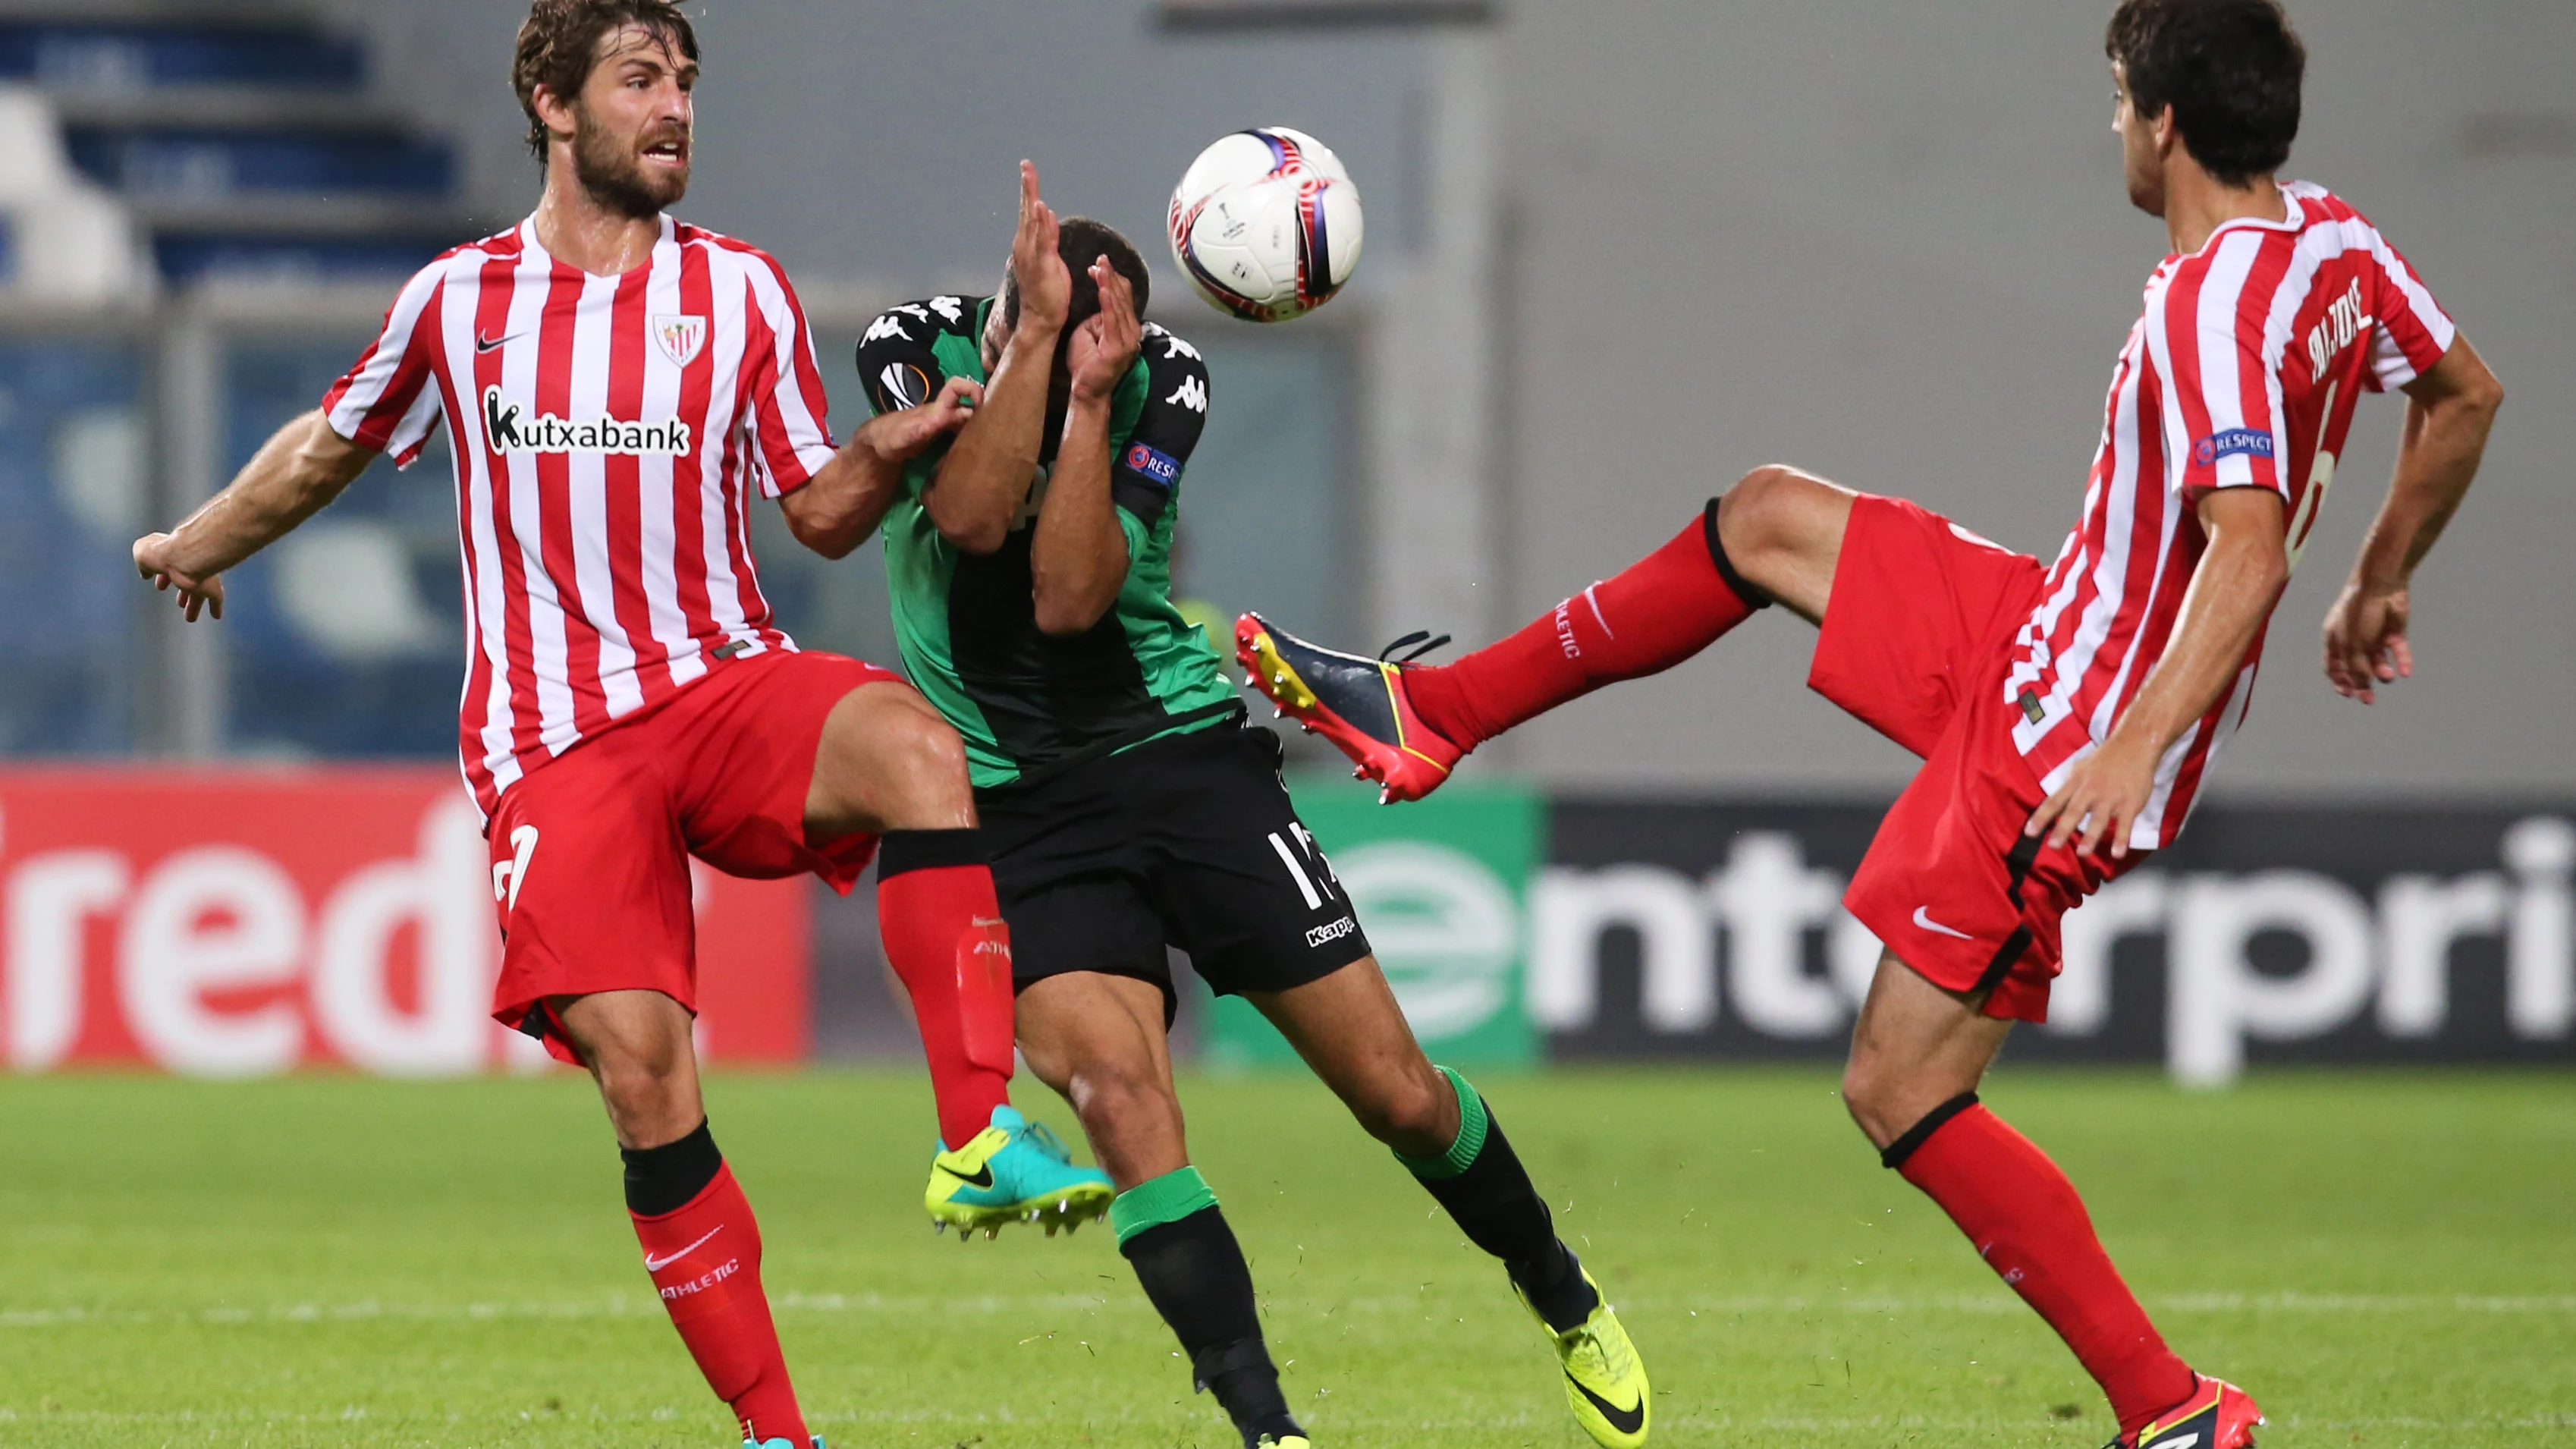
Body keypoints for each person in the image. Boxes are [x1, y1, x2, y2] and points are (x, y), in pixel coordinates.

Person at [1236, 3, 2502, 1447]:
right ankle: (1432, 711)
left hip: (2064, 738)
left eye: (2114, 101)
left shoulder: (2212, 306)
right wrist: (2386, 578)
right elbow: (2464, 393)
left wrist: (2136, 744)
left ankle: (2170, 1410)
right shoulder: (2332, 241)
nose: (2109, 127)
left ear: (2164, 122)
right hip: (2042, 624)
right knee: (1768, 517)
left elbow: (2250, 550)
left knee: (1897, 1084)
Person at [127, 4, 1111, 1444]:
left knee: (915, 745)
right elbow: (324, 451)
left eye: (687, 84)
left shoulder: (746, 295)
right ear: (551, 104)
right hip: (555, 745)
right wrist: (194, 543)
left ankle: (976, 1131)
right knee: (648, 1074)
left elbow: (817, 517)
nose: (675, 110)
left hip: (720, 685)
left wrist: (886, 454)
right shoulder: (458, 302)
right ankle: (781, 1436)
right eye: (640, 81)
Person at [847, 164, 1651, 1449]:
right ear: (1003, 315)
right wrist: (1041, 349)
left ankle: (1561, 1291)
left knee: (1397, 1094)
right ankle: (1273, 1432)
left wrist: (1094, 394)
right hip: (1013, 810)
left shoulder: (1169, 377)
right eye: (1033, 336)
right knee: (1120, 1099)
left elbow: (1065, 599)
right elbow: (967, 518)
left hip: (1182, 763)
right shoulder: (910, 345)